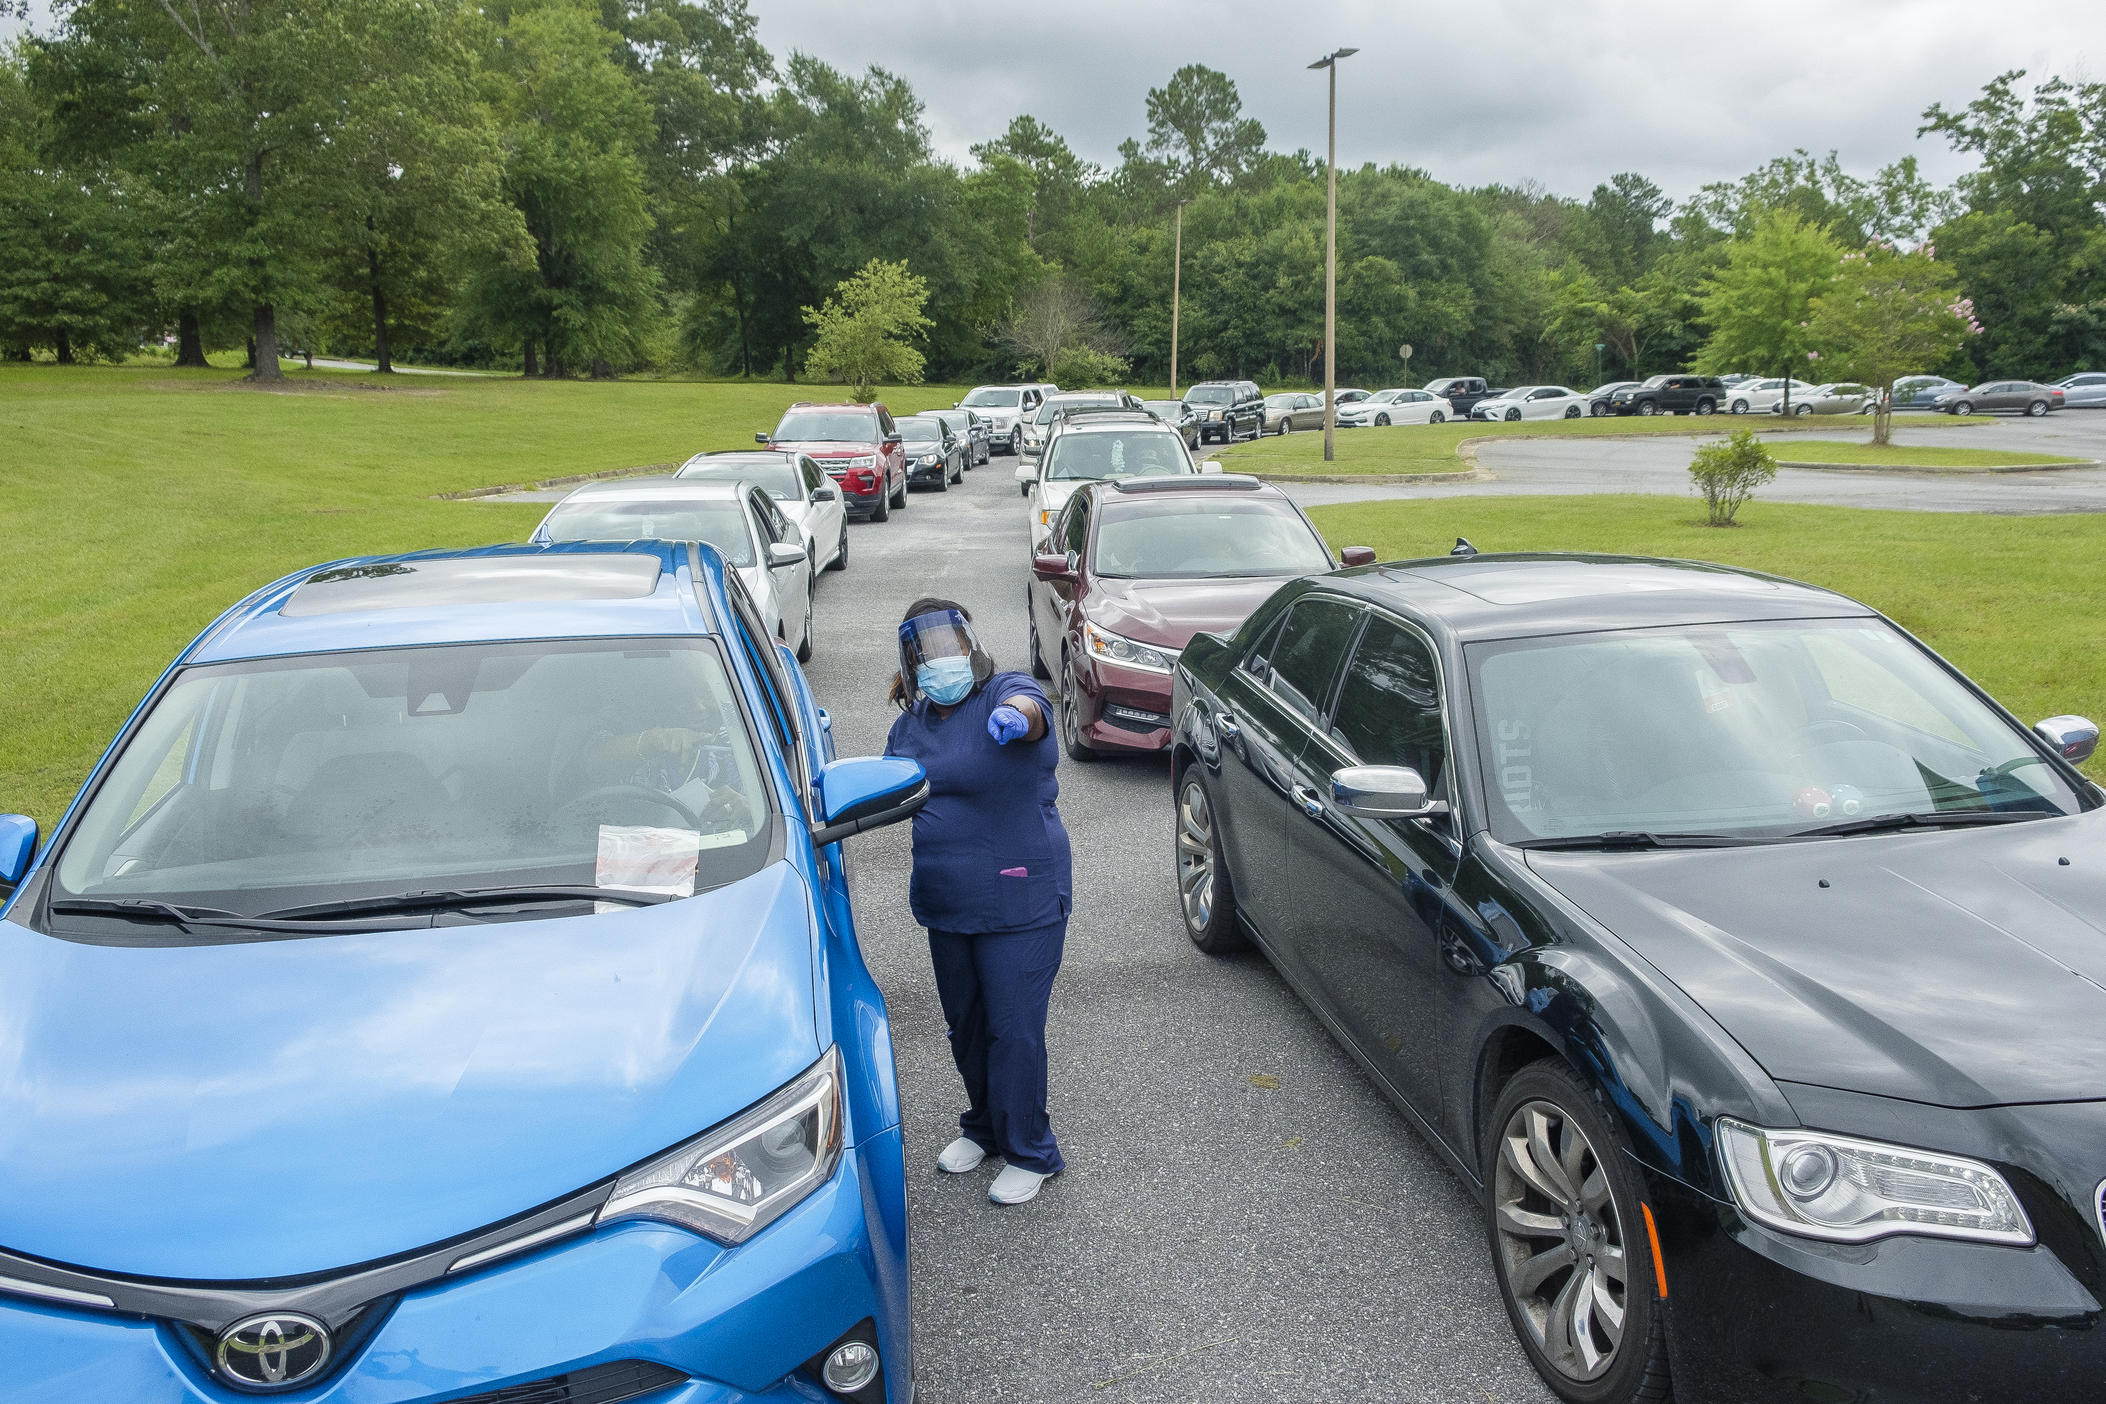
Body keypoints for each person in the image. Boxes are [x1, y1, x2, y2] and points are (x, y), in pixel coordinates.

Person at [884, 597, 1070, 1205]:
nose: (942, 662)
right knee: (967, 1025)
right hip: (947, 902)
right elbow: (885, 792)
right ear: (912, 665)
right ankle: (986, 1127)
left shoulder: (1003, 692)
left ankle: (1031, 1150)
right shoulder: (911, 726)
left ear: (969, 644)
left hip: (1020, 899)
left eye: (950, 648)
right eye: (926, 655)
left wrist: (1020, 718)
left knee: (1013, 1028)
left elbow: (1034, 707)